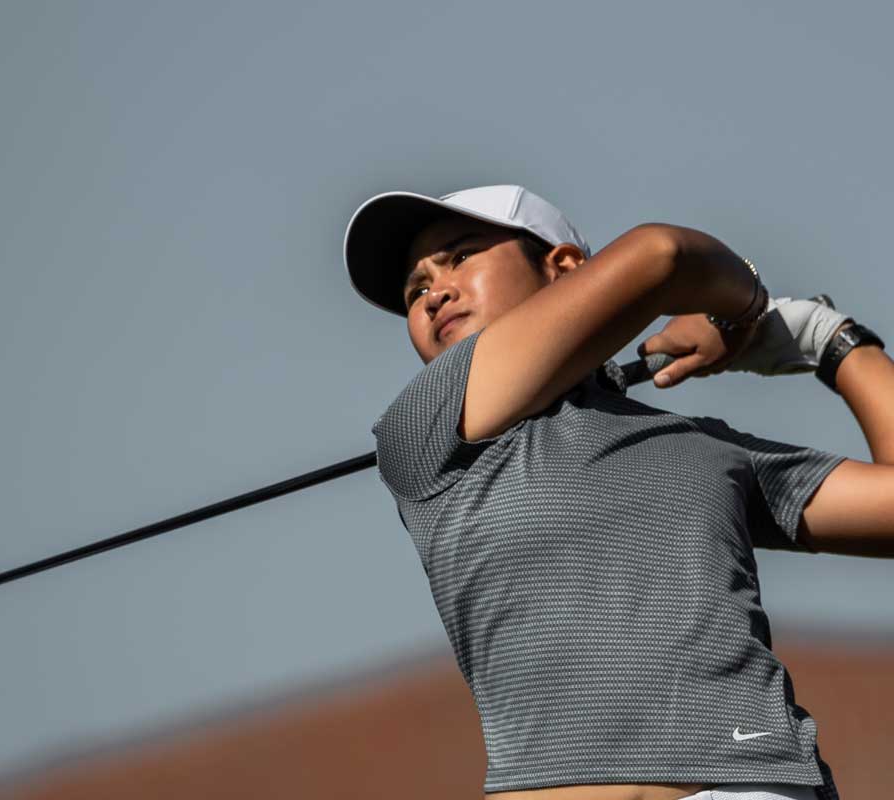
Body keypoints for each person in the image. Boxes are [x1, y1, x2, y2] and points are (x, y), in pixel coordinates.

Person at [344, 184, 892, 800]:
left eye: (462, 255)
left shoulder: (701, 446)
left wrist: (830, 341)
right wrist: (743, 313)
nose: (434, 292)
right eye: (415, 289)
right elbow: (663, 256)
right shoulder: (423, 425)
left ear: (565, 267)